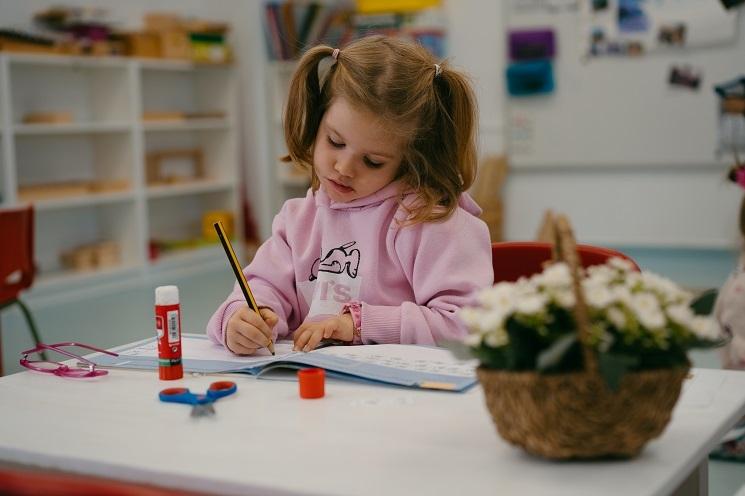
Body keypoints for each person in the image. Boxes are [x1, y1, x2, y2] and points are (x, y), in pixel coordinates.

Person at [206, 35, 493, 355]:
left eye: (372, 161)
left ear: (410, 159)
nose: (343, 167)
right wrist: (241, 320)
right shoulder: (299, 219)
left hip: (403, 398)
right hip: (309, 393)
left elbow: (468, 323)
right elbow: (262, 287)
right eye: (335, 141)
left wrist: (359, 325)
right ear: (316, 122)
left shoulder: (434, 222)